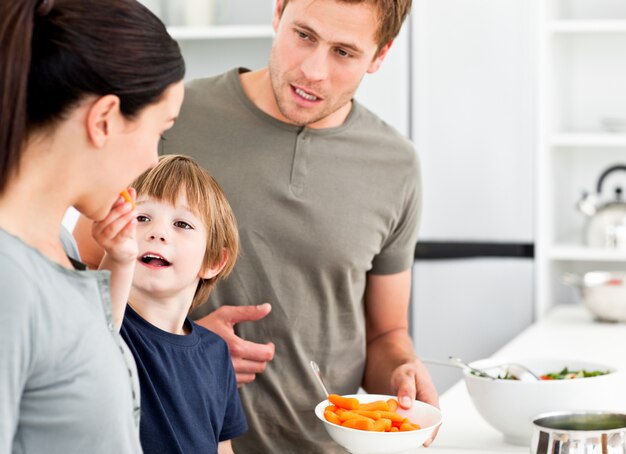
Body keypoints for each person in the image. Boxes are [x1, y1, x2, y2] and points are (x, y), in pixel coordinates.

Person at [74, 0, 440, 452]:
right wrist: (182, 344)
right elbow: (81, 282)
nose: (312, 70)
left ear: (380, 56)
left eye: (343, 52)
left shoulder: (396, 166)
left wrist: (403, 371)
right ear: (278, 12)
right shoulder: (171, 115)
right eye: (303, 35)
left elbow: (385, 333)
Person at [0, 1, 184, 453]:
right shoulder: (9, 280)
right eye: (159, 133)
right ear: (103, 120)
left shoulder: (58, 245)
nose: (152, 161)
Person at [93, 155, 247, 454]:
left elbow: (221, 447)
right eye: (142, 218)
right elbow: (96, 328)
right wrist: (117, 256)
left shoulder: (216, 353)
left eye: (181, 224)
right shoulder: (110, 326)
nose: (157, 232)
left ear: (214, 260)